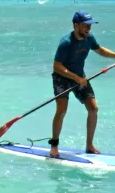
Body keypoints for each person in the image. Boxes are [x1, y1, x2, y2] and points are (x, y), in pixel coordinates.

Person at [49, 11, 115, 157]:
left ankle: (89, 145)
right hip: (62, 78)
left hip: (80, 77)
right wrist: (76, 78)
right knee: (62, 110)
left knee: (93, 108)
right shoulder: (65, 43)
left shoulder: (89, 38)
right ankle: (54, 146)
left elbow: (100, 50)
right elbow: (57, 66)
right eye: (85, 25)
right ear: (76, 25)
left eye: (90, 25)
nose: (89, 28)